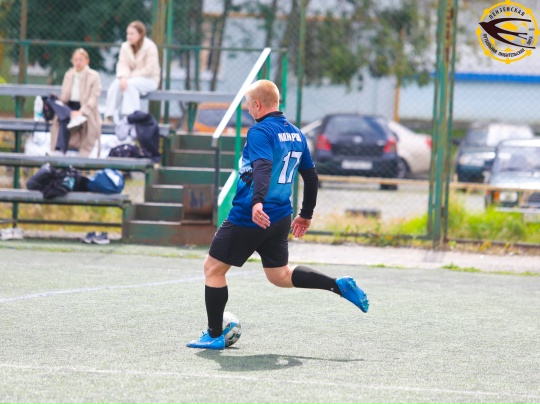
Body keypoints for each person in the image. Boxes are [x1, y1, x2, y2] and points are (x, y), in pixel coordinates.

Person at [187, 80, 369, 350]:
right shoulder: (296, 133)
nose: (249, 110)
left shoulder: (259, 131)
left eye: (248, 105)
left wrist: (257, 203)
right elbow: (311, 176)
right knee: (279, 275)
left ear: (257, 104)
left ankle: (214, 334)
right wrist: (306, 214)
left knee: (212, 269)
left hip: (250, 216)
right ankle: (336, 285)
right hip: (281, 216)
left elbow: (262, 167)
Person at [104, 21, 160, 123]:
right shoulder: (125, 46)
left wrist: (128, 77)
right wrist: (123, 77)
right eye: (127, 33)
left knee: (129, 84)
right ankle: (109, 116)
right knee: (116, 84)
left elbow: (149, 69)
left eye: (132, 34)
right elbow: (122, 65)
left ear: (141, 34)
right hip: (130, 80)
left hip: (149, 80)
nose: (129, 36)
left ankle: (130, 117)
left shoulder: (150, 46)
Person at [50, 48, 102, 157]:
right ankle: (70, 115)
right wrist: (57, 100)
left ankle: (60, 149)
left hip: (84, 108)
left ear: (87, 61)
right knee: (51, 100)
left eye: (81, 60)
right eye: (75, 59)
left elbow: (93, 98)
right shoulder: (69, 74)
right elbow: (64, 97)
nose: (78, 62)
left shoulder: (94, 76)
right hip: (68, 107)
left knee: (64, 118)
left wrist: (82, 112)